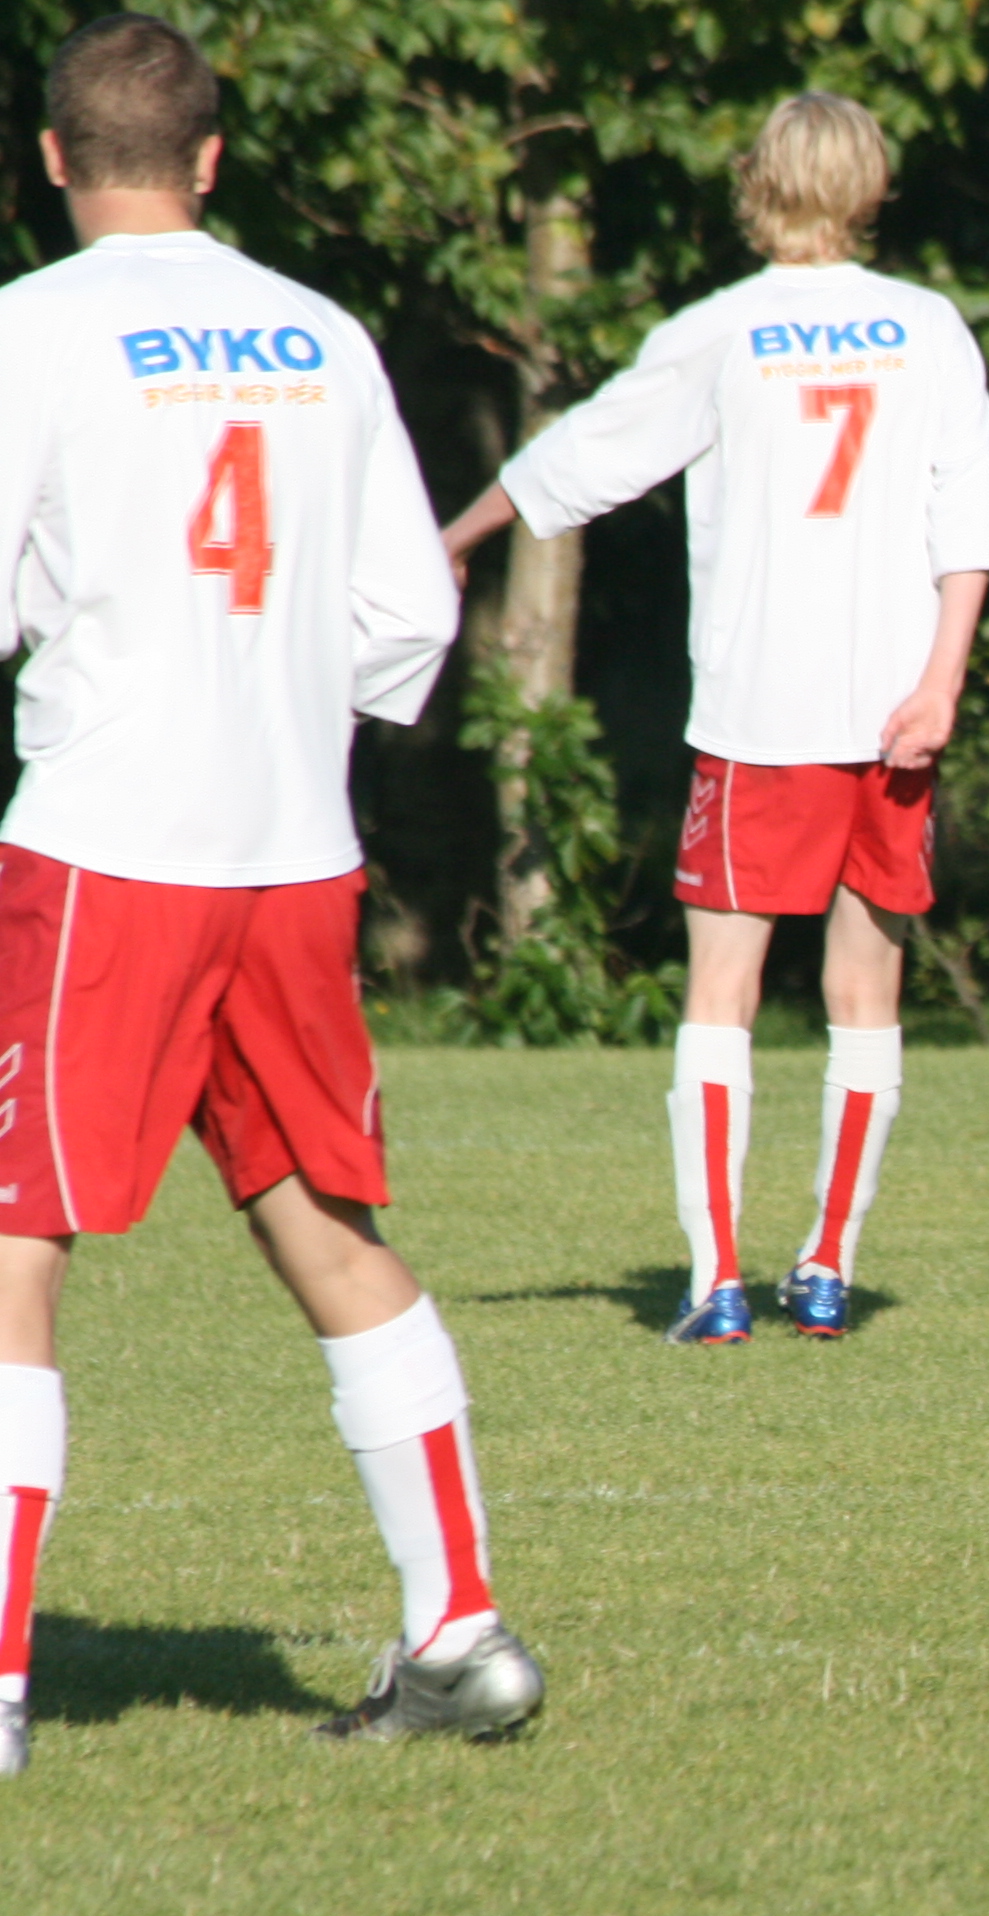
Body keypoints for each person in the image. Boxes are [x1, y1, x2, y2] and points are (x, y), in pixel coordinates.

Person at [0, 13, 538, 1769]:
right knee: (324, 1220)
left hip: (106, 847)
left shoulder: (31, 328)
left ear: (55, 157)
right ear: (213, 158)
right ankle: (456, 1629)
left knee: (14, 1243)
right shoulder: (322, 333)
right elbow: (408, 615)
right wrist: (279, 708)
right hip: (293, 852)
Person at [442, 93, 989, 1341]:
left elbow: (589, 453)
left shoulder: (724, 330)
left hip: (760, 713)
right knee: (866, 991)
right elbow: (968, 525)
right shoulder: (929, 327)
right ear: (871, 187)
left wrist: (460, 535)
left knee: (721, 992)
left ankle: (717, 1284)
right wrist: (943, 683)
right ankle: (828, 1267)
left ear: (758, 185)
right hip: (893, 712)